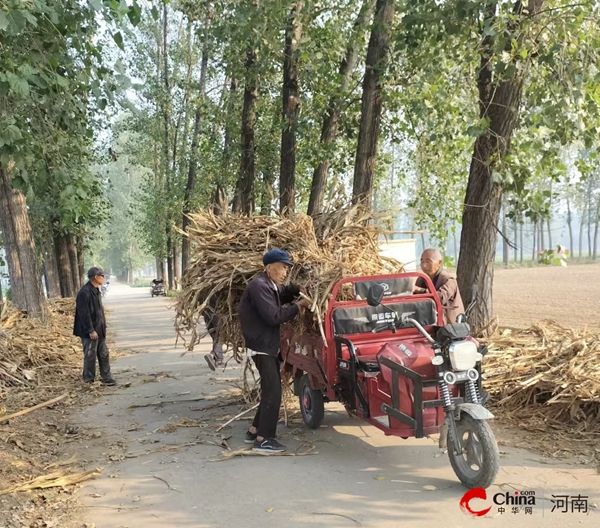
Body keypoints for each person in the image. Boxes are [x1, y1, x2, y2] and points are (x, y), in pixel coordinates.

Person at [238, 249, 311, 453]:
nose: (285, 272)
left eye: (287, 268)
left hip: (266, 345)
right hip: (261, 346)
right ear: (270, 267)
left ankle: (254, 430)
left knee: (269, 390)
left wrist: (296, 289)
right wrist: (300, 305)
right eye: (282, 267)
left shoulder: (269, 284)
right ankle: (264, 440)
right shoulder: (259, 286)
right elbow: (274, 316)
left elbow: (282, 293)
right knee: (273, 393)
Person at [73, 267, 116, 386]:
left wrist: (102, 327)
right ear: (96, 277)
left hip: (99, 329)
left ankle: (107, 377)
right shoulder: (84, 292)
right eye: (102, 275)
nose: (104, 278)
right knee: (90, 355)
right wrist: (90, 330)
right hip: (90, 331)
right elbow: (84, 314)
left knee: (103, 353)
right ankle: (88, 379)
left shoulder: (96, 290)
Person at [414, 248, 465, 324]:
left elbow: (439, 298)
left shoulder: (449, 280)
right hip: (428, 322)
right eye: (422, 261)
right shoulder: (421, 280)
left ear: (439, 263)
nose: (424, 265)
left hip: (449, 325)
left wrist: (419, 290)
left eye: (428, 262)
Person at [203, 295, 224, 371]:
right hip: (216, 314)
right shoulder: (219, 288)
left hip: (206, 314)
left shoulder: (205, 289)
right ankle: (212, 355)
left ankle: (218, 359)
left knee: (215, 337)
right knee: (220, 335)